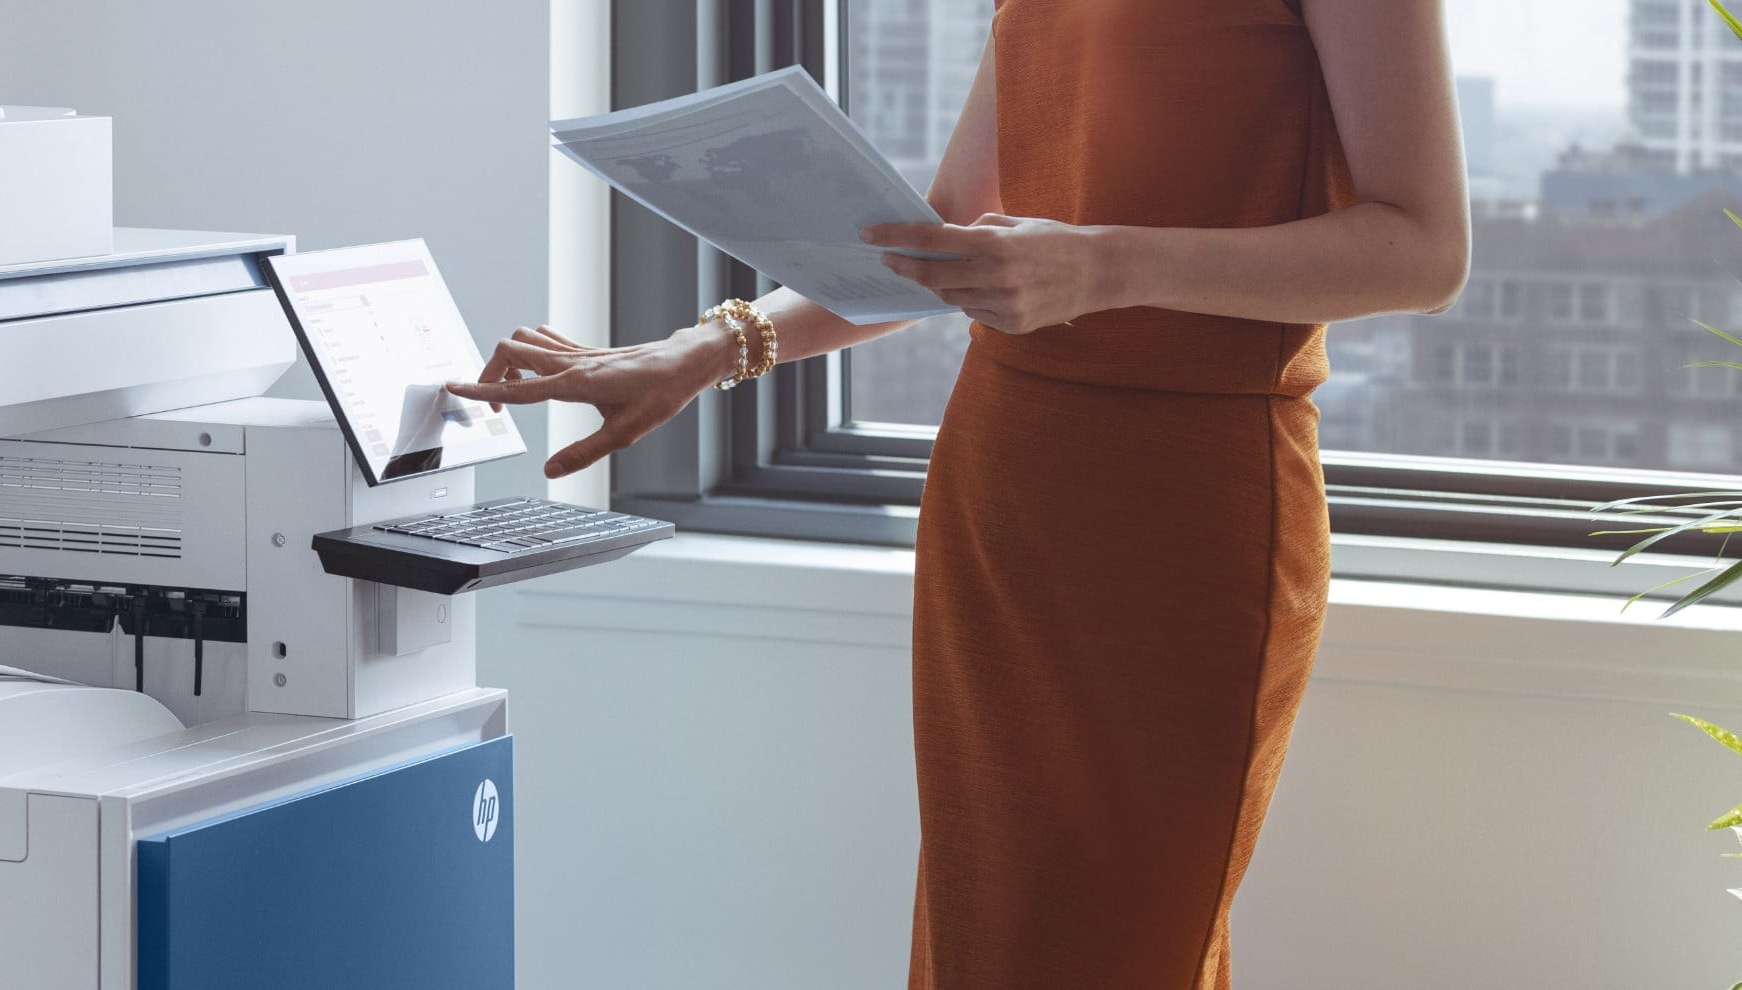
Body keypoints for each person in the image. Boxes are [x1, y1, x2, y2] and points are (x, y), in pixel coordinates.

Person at [450, 1, 1467, 987]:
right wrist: (703, 349)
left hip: (1186, 511)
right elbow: (941, 238)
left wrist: (1102, 265)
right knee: (990, 941)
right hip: (1005, 486)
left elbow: (1425, 249)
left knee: (1117, 950)